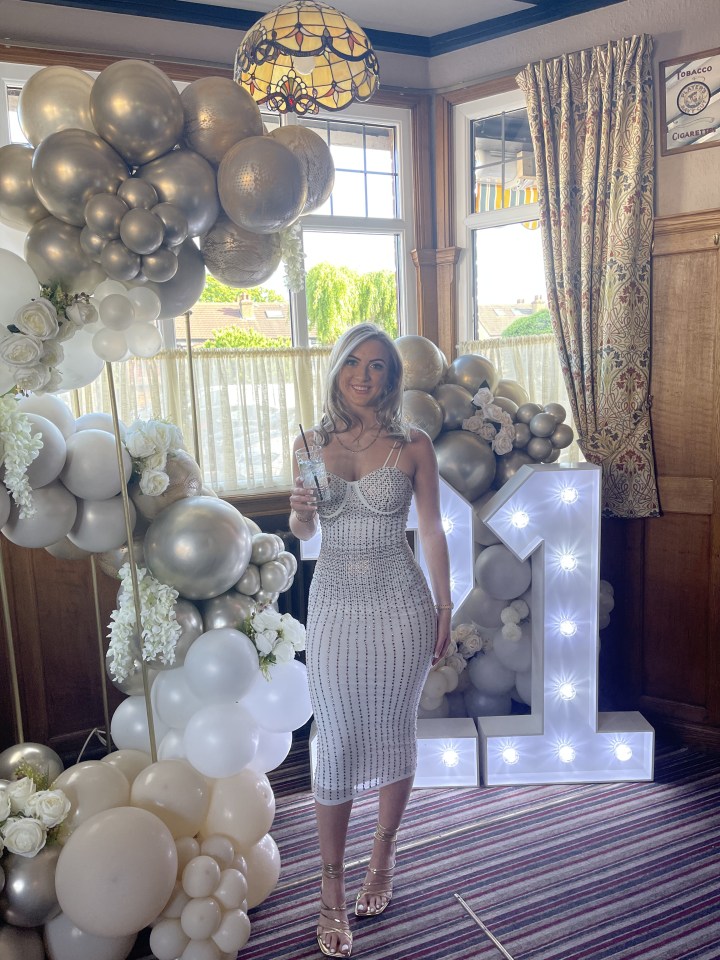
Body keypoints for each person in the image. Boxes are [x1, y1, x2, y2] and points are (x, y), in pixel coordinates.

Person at [289, 323, 452, 957]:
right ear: (336, 369)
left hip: (401, 604)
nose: (363, 374)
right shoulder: (308, 441)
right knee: (332, 738)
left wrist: (443, 606)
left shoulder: (414, 446)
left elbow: (432, 532)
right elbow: (304, 533)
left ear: (392, 376)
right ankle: (330, 892)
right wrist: (300, 511)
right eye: (353, 362)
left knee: (392, 728)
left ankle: (383, 857)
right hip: (332, 603)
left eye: (378, 366)